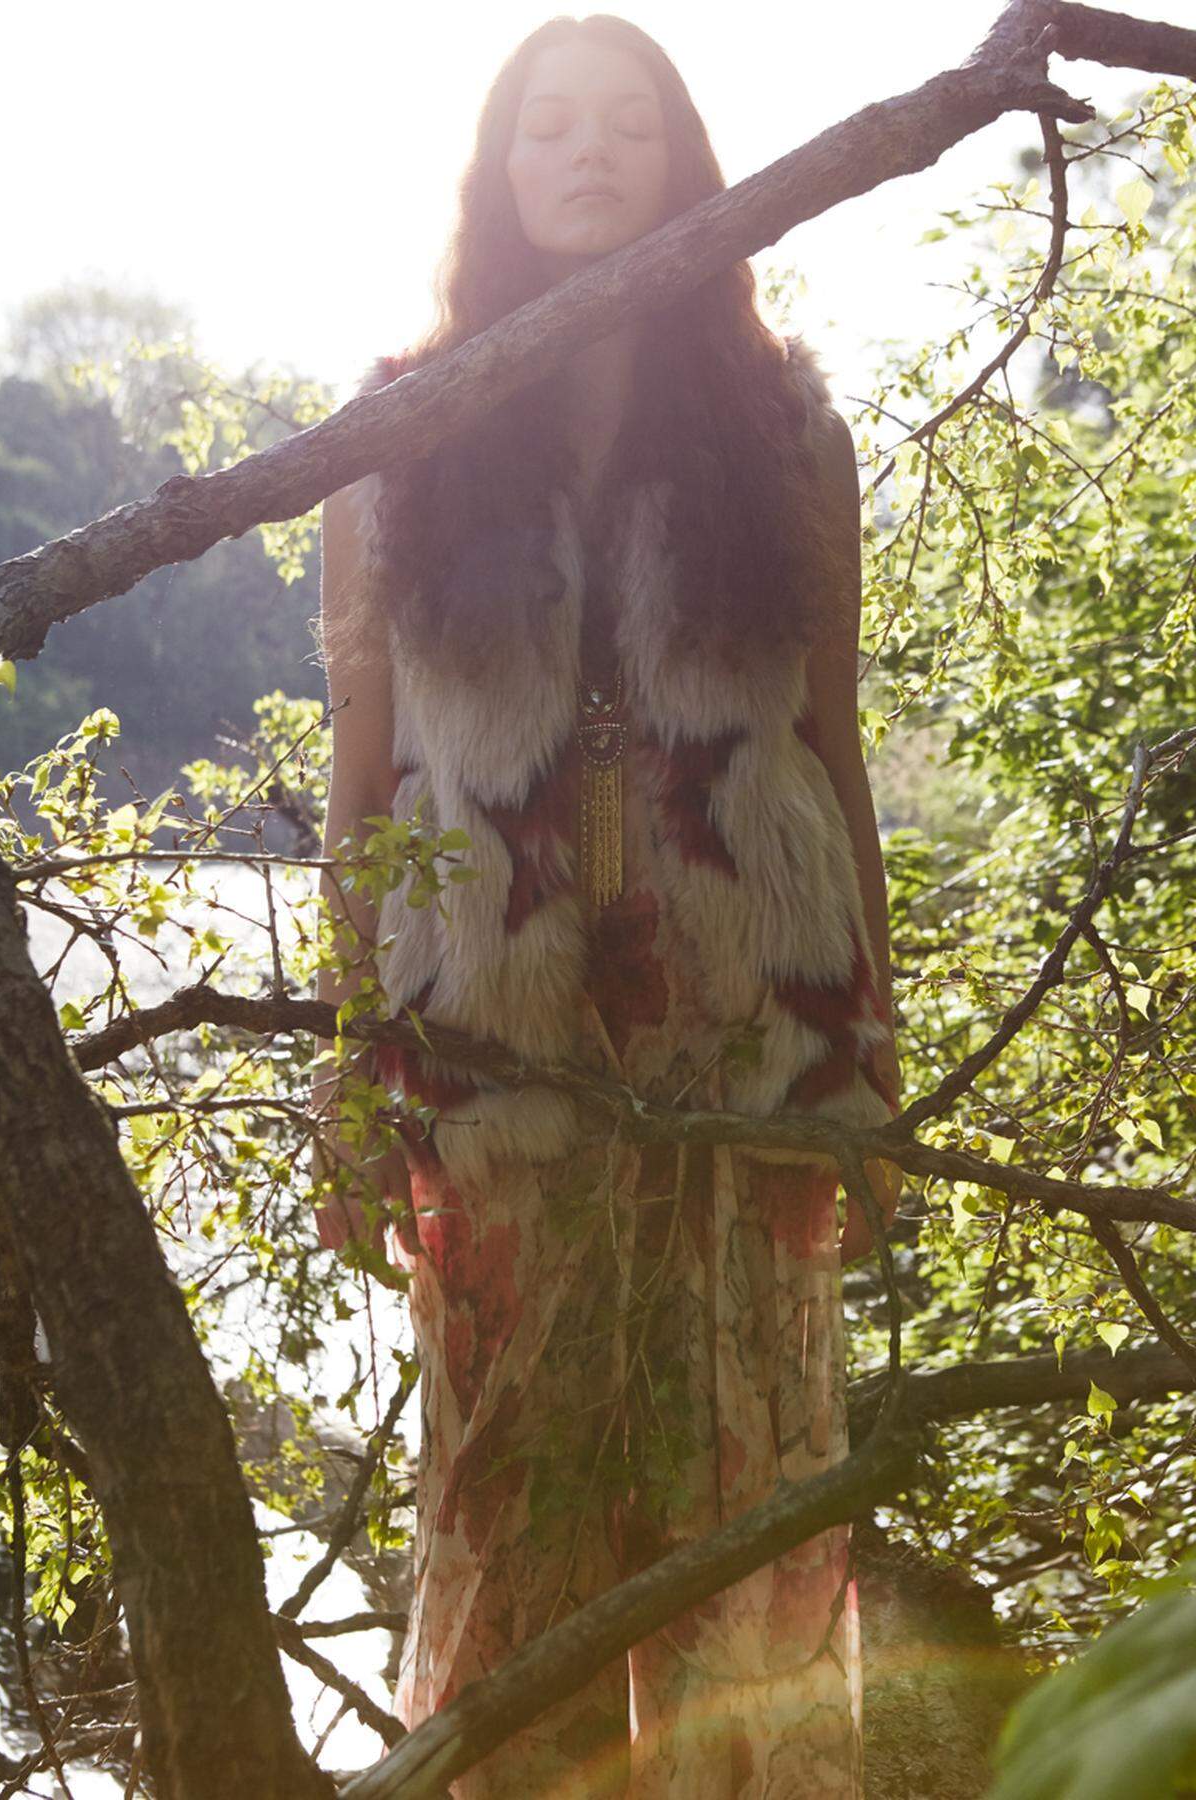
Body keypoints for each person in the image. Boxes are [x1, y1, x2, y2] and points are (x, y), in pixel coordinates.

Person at [312, 14, 903, 1797]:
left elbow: (831, 740)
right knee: (511, 1508)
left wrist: (871, 1056)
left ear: (682, 161)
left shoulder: (783, 420)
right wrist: (349, 1072)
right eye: (548, 126)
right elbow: (360, 780)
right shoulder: (399, 427)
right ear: (495, 169)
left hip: (742, 1028)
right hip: (491, 1036)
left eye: (624, 126)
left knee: (751, 1495)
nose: (585, 153)